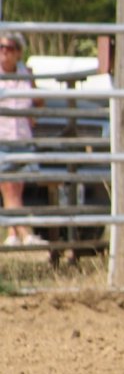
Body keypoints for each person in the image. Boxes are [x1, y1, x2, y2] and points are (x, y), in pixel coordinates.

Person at [0, 32, 46, 247]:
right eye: (1, 47)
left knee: (16, 187)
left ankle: (12, 233)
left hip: (22, 136)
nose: (4, 52)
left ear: (18, 52)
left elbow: (39, 101)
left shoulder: (26, 74)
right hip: (2, 137)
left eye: (8, 48)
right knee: (8, 186)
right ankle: (25, 233)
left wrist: (32, 114)